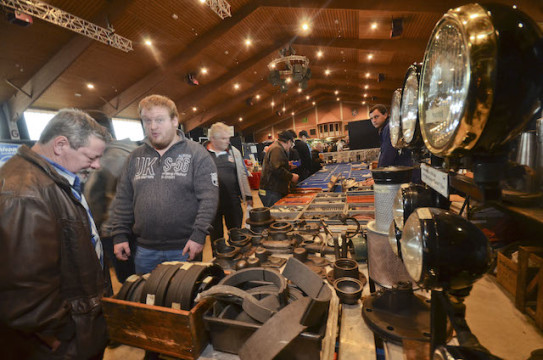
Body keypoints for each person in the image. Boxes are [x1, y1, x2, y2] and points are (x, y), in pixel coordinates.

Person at [0, 109, 111, 359]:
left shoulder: (53, 178)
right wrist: (59, 333)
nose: (97, 165)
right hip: (59, 343)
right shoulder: (25, 195)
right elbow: (23, 288)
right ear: (61, 145)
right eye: (92, 156)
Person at [111, 94, 218, 274]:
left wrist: (199, 235)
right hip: (144, 250)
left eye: (160, 120)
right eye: (147, 121)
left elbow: (209, 198)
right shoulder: (135, 157)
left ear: (175, 121)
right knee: (147, 299)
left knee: (184, 298)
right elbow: (123, 199)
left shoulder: (197, 154)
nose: (152, 127)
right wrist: (119, 234)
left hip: (184, 247)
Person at [84, 122, 139, 283]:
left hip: (118, 231)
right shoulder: (132, 149)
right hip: (133, 228)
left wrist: (103, 230)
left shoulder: (112, 158)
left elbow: (110, 199)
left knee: (130, 281)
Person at [204, 122, 252, 249]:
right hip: (212, 206)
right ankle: (219, 266)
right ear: (213, 139)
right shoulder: (202, 154)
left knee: (236, 236)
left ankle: (238, 261)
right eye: (224, 138)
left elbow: (242, 174)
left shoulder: (234, 151)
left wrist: (248, 195)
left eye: (228, 138)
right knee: (216, 240)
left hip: (233, 203)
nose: (227, 141)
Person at [259, 130, 299, 207]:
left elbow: (275, 165)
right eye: (291, 143)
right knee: (275, 214)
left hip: (273, 189)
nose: (291, 146)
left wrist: (288, 166)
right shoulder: (277, 149)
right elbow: (277, 169)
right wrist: (291, 177)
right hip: (272, 190)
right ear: (288, 141)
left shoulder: (277, 148)